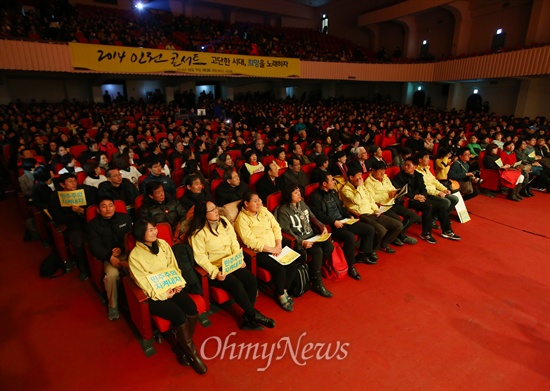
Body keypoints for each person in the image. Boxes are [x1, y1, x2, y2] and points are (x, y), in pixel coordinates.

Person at [129, 219, 207, 374]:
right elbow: (143, 283)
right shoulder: (135, 256)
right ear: (140, 234)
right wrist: (163, 294)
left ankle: (181, 346)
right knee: (178, 315)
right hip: (154, 295)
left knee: (191, 307)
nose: (155, 232)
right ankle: (192, 355)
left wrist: (178, 283)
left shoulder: (163, 244)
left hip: (172, 286)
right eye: (150, 230)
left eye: (154, 228)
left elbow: (174, 266)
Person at [186, 200, 275, 330]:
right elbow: (200, 258)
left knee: (250, 279)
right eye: (212, 210)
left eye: (215, 207)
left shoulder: (223, 221)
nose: (216, 211)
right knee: (236, 284)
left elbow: (234, 241)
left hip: (231, 262)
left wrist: (238, 257)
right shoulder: (197, 233)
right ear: (203, 214)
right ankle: (253, 315)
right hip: (216, 267)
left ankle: (248, 317)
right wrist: (215, 272)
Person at [235, 191, 298, 311]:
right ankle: (280, 295)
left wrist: (278, 244)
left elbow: (276, 226)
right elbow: (250, 241)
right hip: (261, 251)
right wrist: (271, 249)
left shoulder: (263, 211)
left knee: (292, 264)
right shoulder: (241, 220)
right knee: (279, 269)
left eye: (259, 200)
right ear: (246, 203)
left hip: (276, 246)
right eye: (255, 201)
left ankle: (284, 290)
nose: (259, 203)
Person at [309, 172, 378, 279]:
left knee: (369, 229)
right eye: (331, 180)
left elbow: (342, 207)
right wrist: (333, 222)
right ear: (324, 184)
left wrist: (349, 216)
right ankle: (351, 266)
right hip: (332, 226)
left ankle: (363, 254)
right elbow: (318, 215)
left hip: (344, 220)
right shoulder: (315, 196)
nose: (334, 182)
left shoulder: (333, 192)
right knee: (349, 237)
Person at [276, 184, 333, 298]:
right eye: (295, 193)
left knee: (328, 246)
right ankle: (317, 283)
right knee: (317, 251)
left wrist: (322, 226)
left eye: (299, 192)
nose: (299, 194)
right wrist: (301, 242)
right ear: (288, 195)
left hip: (311, 234)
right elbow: (286, 231)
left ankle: (313, 271)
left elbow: (312, 216)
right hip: (299, 239)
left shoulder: (302, 203)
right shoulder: (283, 210)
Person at [393, 156, 461, 243]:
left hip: (420, 198)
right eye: (405, 165)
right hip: (408, 200)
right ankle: (426, 233)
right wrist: (414, 197)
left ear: (415, 167)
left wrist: (423, 196)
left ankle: (447, 231)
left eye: (408, 165)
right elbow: (399, 191)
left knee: (442, 204)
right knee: (428, 206)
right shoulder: (399, 176)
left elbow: (423, 188)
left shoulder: (418, 175)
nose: (405, 167)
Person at [87, 197, 133, 320]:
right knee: (111, 275)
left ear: (114, 206)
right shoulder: (93, 225)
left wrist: (122, 248)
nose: (108, 209)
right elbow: (94, 246)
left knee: (138, 267)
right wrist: (109, 256)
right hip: (108, 256)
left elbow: (132, 236)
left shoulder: (124, 218)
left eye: (110, 205)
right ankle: (113, 305)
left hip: (127, 251)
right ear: (98, 209)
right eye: (104, 206)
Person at [339, 165, 403, 253]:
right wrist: (360, 187)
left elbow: (370, 199)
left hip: (373, 212)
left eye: (361, 176)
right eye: (358, 176)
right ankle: (372, 250)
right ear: (351, 177)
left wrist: (377, 210)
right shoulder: (345, 190)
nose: (361, 179)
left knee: (398, 225)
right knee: (381, 230)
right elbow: (356, 201)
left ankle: (383, 244)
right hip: (362, 215)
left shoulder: (362, 186)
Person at [48, 173, 98, 280]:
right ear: (62, 184)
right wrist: (74, 213)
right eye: (70, 181)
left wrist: (81, 211)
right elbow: (59, 218)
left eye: (74, 181)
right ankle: (83, 268)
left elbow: (91, 209)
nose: (73, 183)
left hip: (87, 221)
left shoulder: (83, 191)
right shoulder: (56, 196)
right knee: (78, 242)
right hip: (71, 226)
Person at [365, 161, 419, 246]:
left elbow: (392, 188)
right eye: (380, 171)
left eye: (384, 170)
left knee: (413, 216)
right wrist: (387, 195)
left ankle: (398, 236)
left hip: (393, 202)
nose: (383, 173)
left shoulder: (385, 178)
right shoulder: (368, 182)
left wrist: (397, 191)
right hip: (383, 206)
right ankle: (389, 241)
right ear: (373, 171)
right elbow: (372, 198)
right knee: (398, 223)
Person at [416, 151, 459, 221]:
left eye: (429, 158)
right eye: (426, 158)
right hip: (428, 193)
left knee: (454, 199)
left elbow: (435, 181)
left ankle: (441, 217)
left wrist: (443, 189)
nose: (428, 160)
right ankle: (433, 219)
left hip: (435, 191)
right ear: (420, 160)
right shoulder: (417, 171)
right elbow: (424, 188)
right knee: (446, 202)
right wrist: (437, 193)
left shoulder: (426, 169)